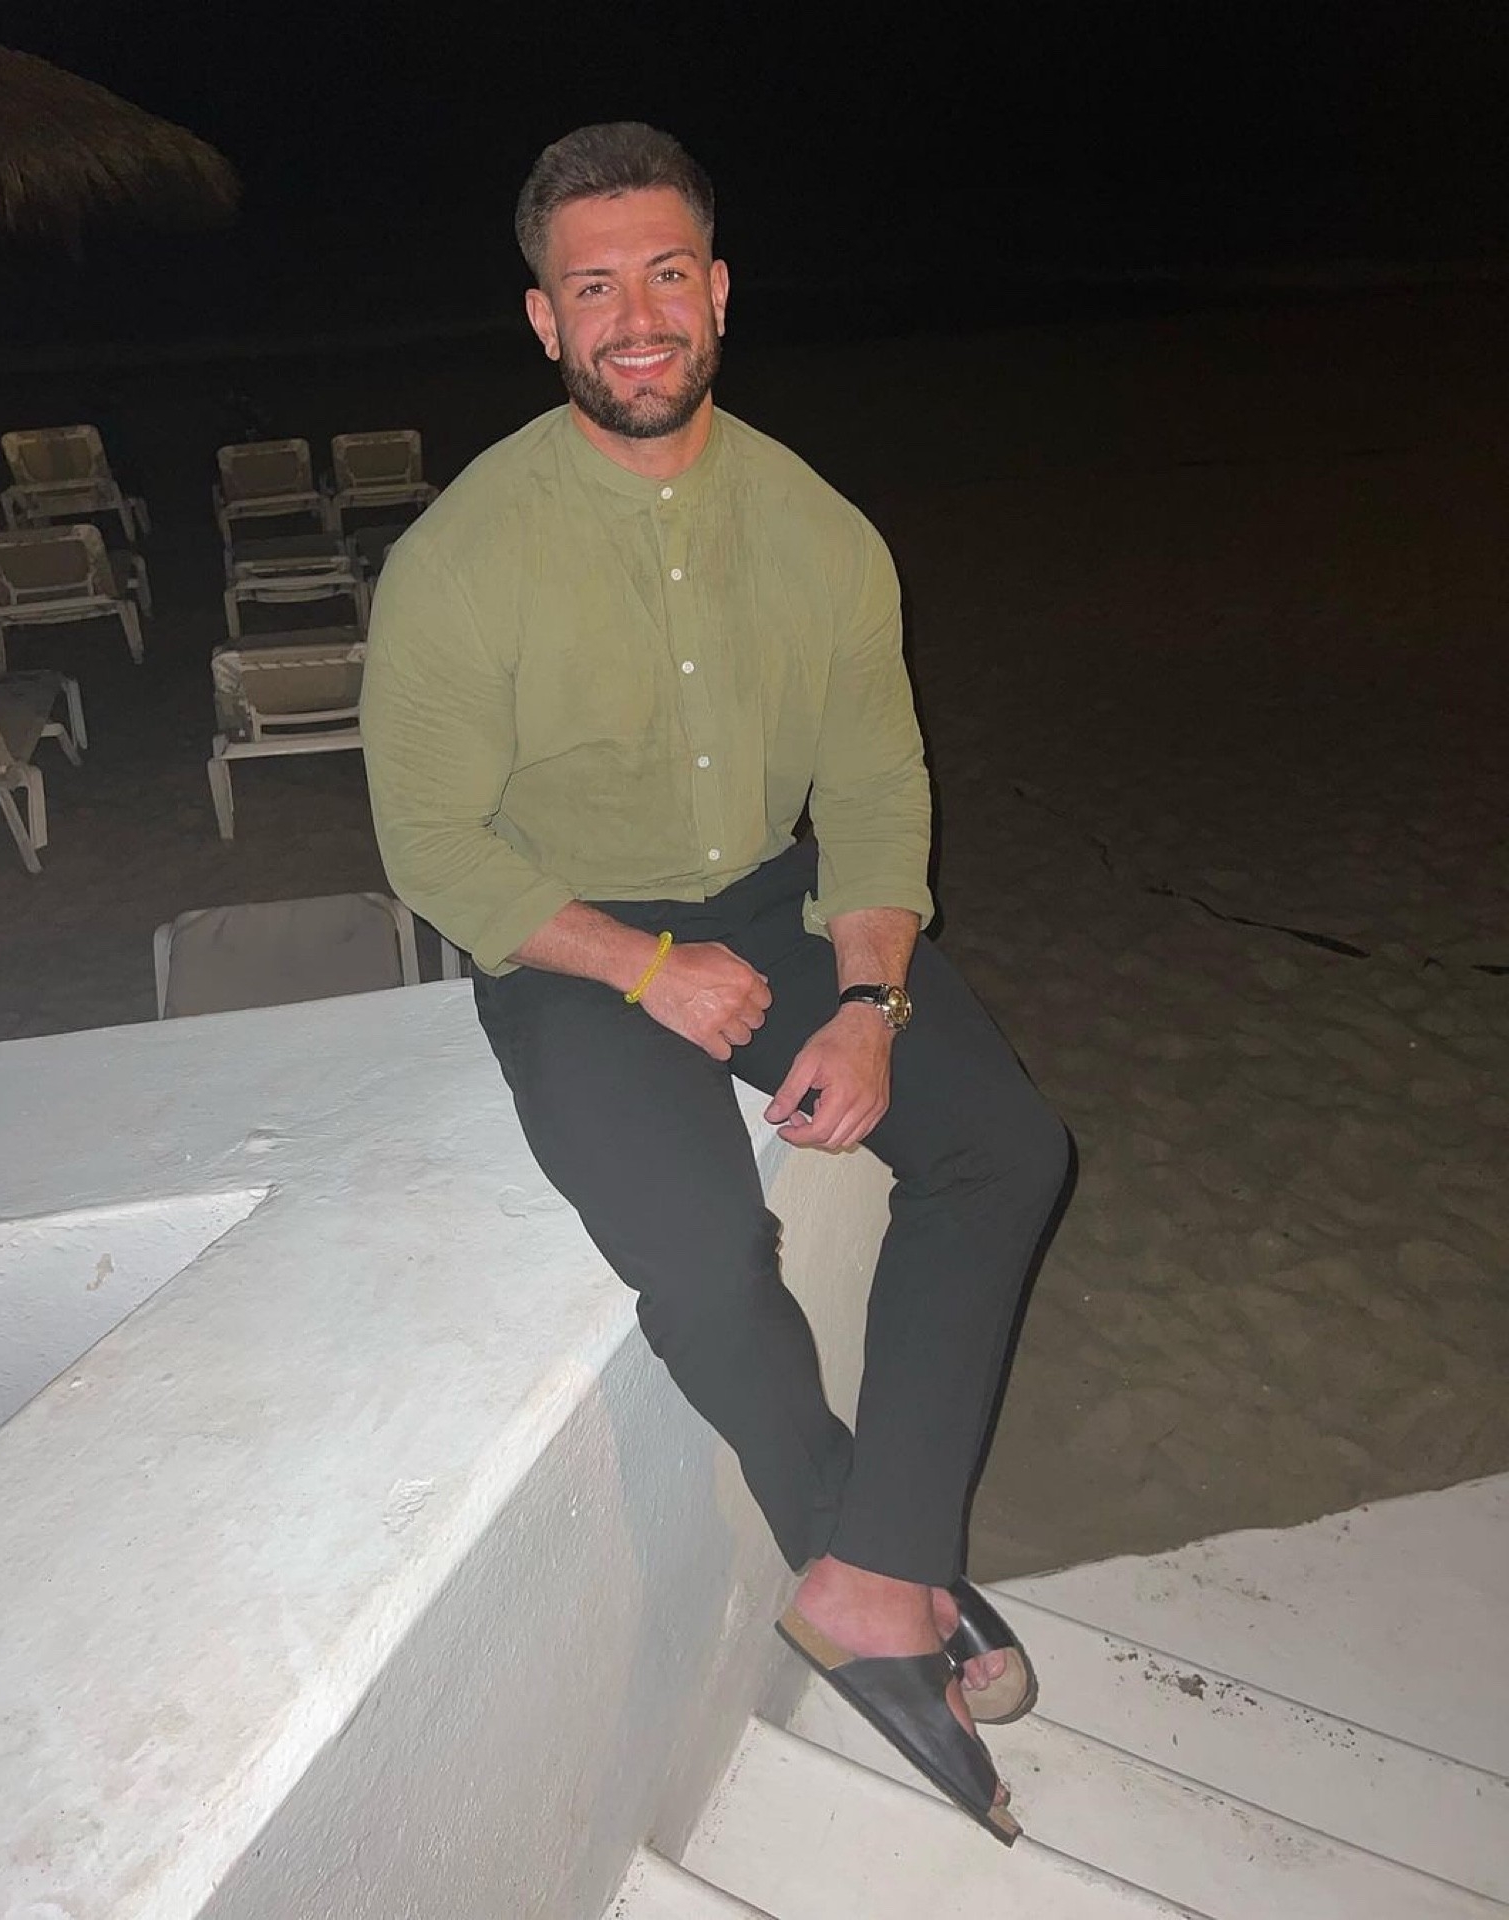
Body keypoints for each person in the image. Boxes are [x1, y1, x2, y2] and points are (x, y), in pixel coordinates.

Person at [360, 121, 1070, 1843]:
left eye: (666, 274)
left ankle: (877, 1563)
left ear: (720, 291)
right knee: (697, 1256)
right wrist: (642, 968)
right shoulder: (464, 554)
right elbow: (432, 844)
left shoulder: (821, 533)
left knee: (1006, 1150)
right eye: (594, 287)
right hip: (566, 936)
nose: (638, 319)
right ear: (546, 320)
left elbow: (879, 795)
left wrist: (869, 1000)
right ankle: (866, 1551)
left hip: (769, 896)